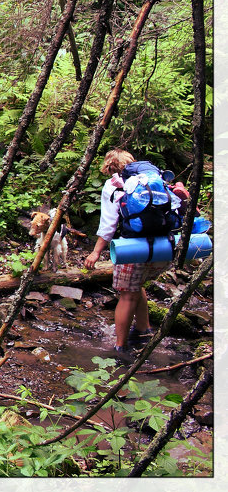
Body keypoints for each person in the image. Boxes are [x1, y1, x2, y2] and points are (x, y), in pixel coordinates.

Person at [83, 148, 171, 362]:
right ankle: (144, 330)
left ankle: (120, 348)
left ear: (109, 167)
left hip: (133, 248)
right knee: (136, 285)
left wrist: (95, 253)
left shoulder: (113, 185)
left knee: (127, 294)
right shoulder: (151, 179)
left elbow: (108, 225)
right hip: (162, 248)